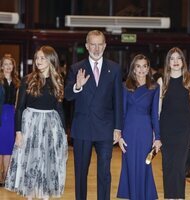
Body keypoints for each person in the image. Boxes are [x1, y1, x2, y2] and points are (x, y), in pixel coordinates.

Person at [65, 30, 123, 200]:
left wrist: (118, 127)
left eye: (100, 44)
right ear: (87, 46)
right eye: (93, 44)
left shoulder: (115, 68)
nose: (96, 48)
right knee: (81, 173)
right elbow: (68, 95)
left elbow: (118, 101)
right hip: (83, 128)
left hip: (105, 129)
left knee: (104, 172)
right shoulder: (76, 68)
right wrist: (77, 85)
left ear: (105, 46)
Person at [5, 46, 68, 200]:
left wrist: (64, 133)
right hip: (30, 124)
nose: (38, 61)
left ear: (51, 60)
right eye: (37, 58)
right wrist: (18, 132)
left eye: (42, 58)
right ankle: (30, 197)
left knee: (47, 161)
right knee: (30, 162)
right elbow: (19, 108)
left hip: (50, 126)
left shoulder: (57, 80)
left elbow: (59, 109)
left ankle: (45, 195)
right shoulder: (28, 79)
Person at [117, 54, 162, 200]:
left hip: (145, 131)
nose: (141, 69)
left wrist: (158, 138)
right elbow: (122, 113)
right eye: (138, 66)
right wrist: (120, 136)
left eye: (144, 66)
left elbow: (155, 114)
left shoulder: (155, 87)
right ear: (133, 69)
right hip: (129, 132)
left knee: (144, 165)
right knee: (130, 166)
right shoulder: (124, 87)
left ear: (148, 68)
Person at [157, 47, 190, 200]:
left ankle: (180, 197)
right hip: (166, 130)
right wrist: (157, 134)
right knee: (168, 167)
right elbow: (158, 111)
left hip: (184, 131)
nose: (175, 61)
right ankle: (169, 197)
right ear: (168, 62)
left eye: (178, 58)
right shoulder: (162, 81)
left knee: (180, 167)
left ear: (183, 61)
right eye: (172, 58)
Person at [0, 54, 20, 187]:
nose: (8, 66)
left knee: (7, 147)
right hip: (0, 113)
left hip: (11, 116)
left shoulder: (17, 82)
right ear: (1, 67)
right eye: (5, 64)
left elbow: (18, 102)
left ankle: (6, 177)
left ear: (13, 67)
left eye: (10, 64)